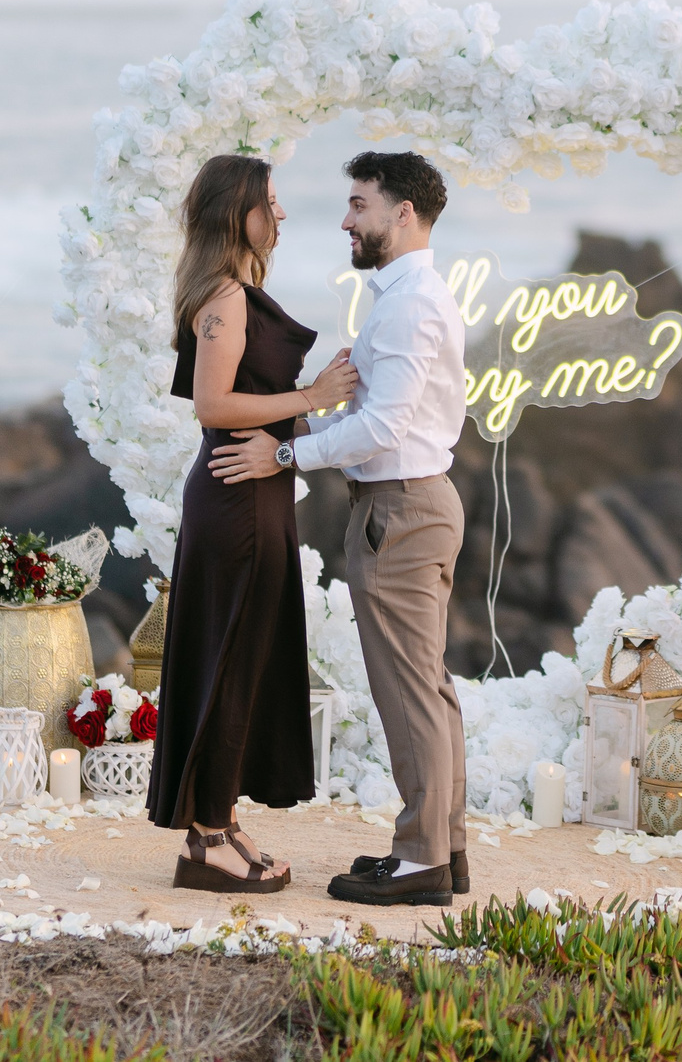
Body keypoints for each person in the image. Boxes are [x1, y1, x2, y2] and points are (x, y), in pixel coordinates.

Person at [212, 150, 469, 907]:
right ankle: (441, 846)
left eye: (359, 204)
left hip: (400, 510)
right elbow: (378, 412)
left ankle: (422, 858)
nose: (346, 220)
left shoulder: (409, 301)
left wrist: (286, 451)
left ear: (404, 214)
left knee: (411, 691)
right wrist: (318, 402)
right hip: (413, 503)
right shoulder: (407, 295)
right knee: (430, 686)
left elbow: (385, 425)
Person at [150, 154, 358, 894]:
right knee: (230, 662)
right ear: (238, 210)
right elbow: (213, 406)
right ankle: (206, 840)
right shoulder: (225, 298)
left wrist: (298, 422)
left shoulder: (239, 291)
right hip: (235, 496)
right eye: (270, 202)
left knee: (247, 660)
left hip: (257, 489)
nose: (281, 214)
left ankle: (221, 820)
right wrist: (309, 395)